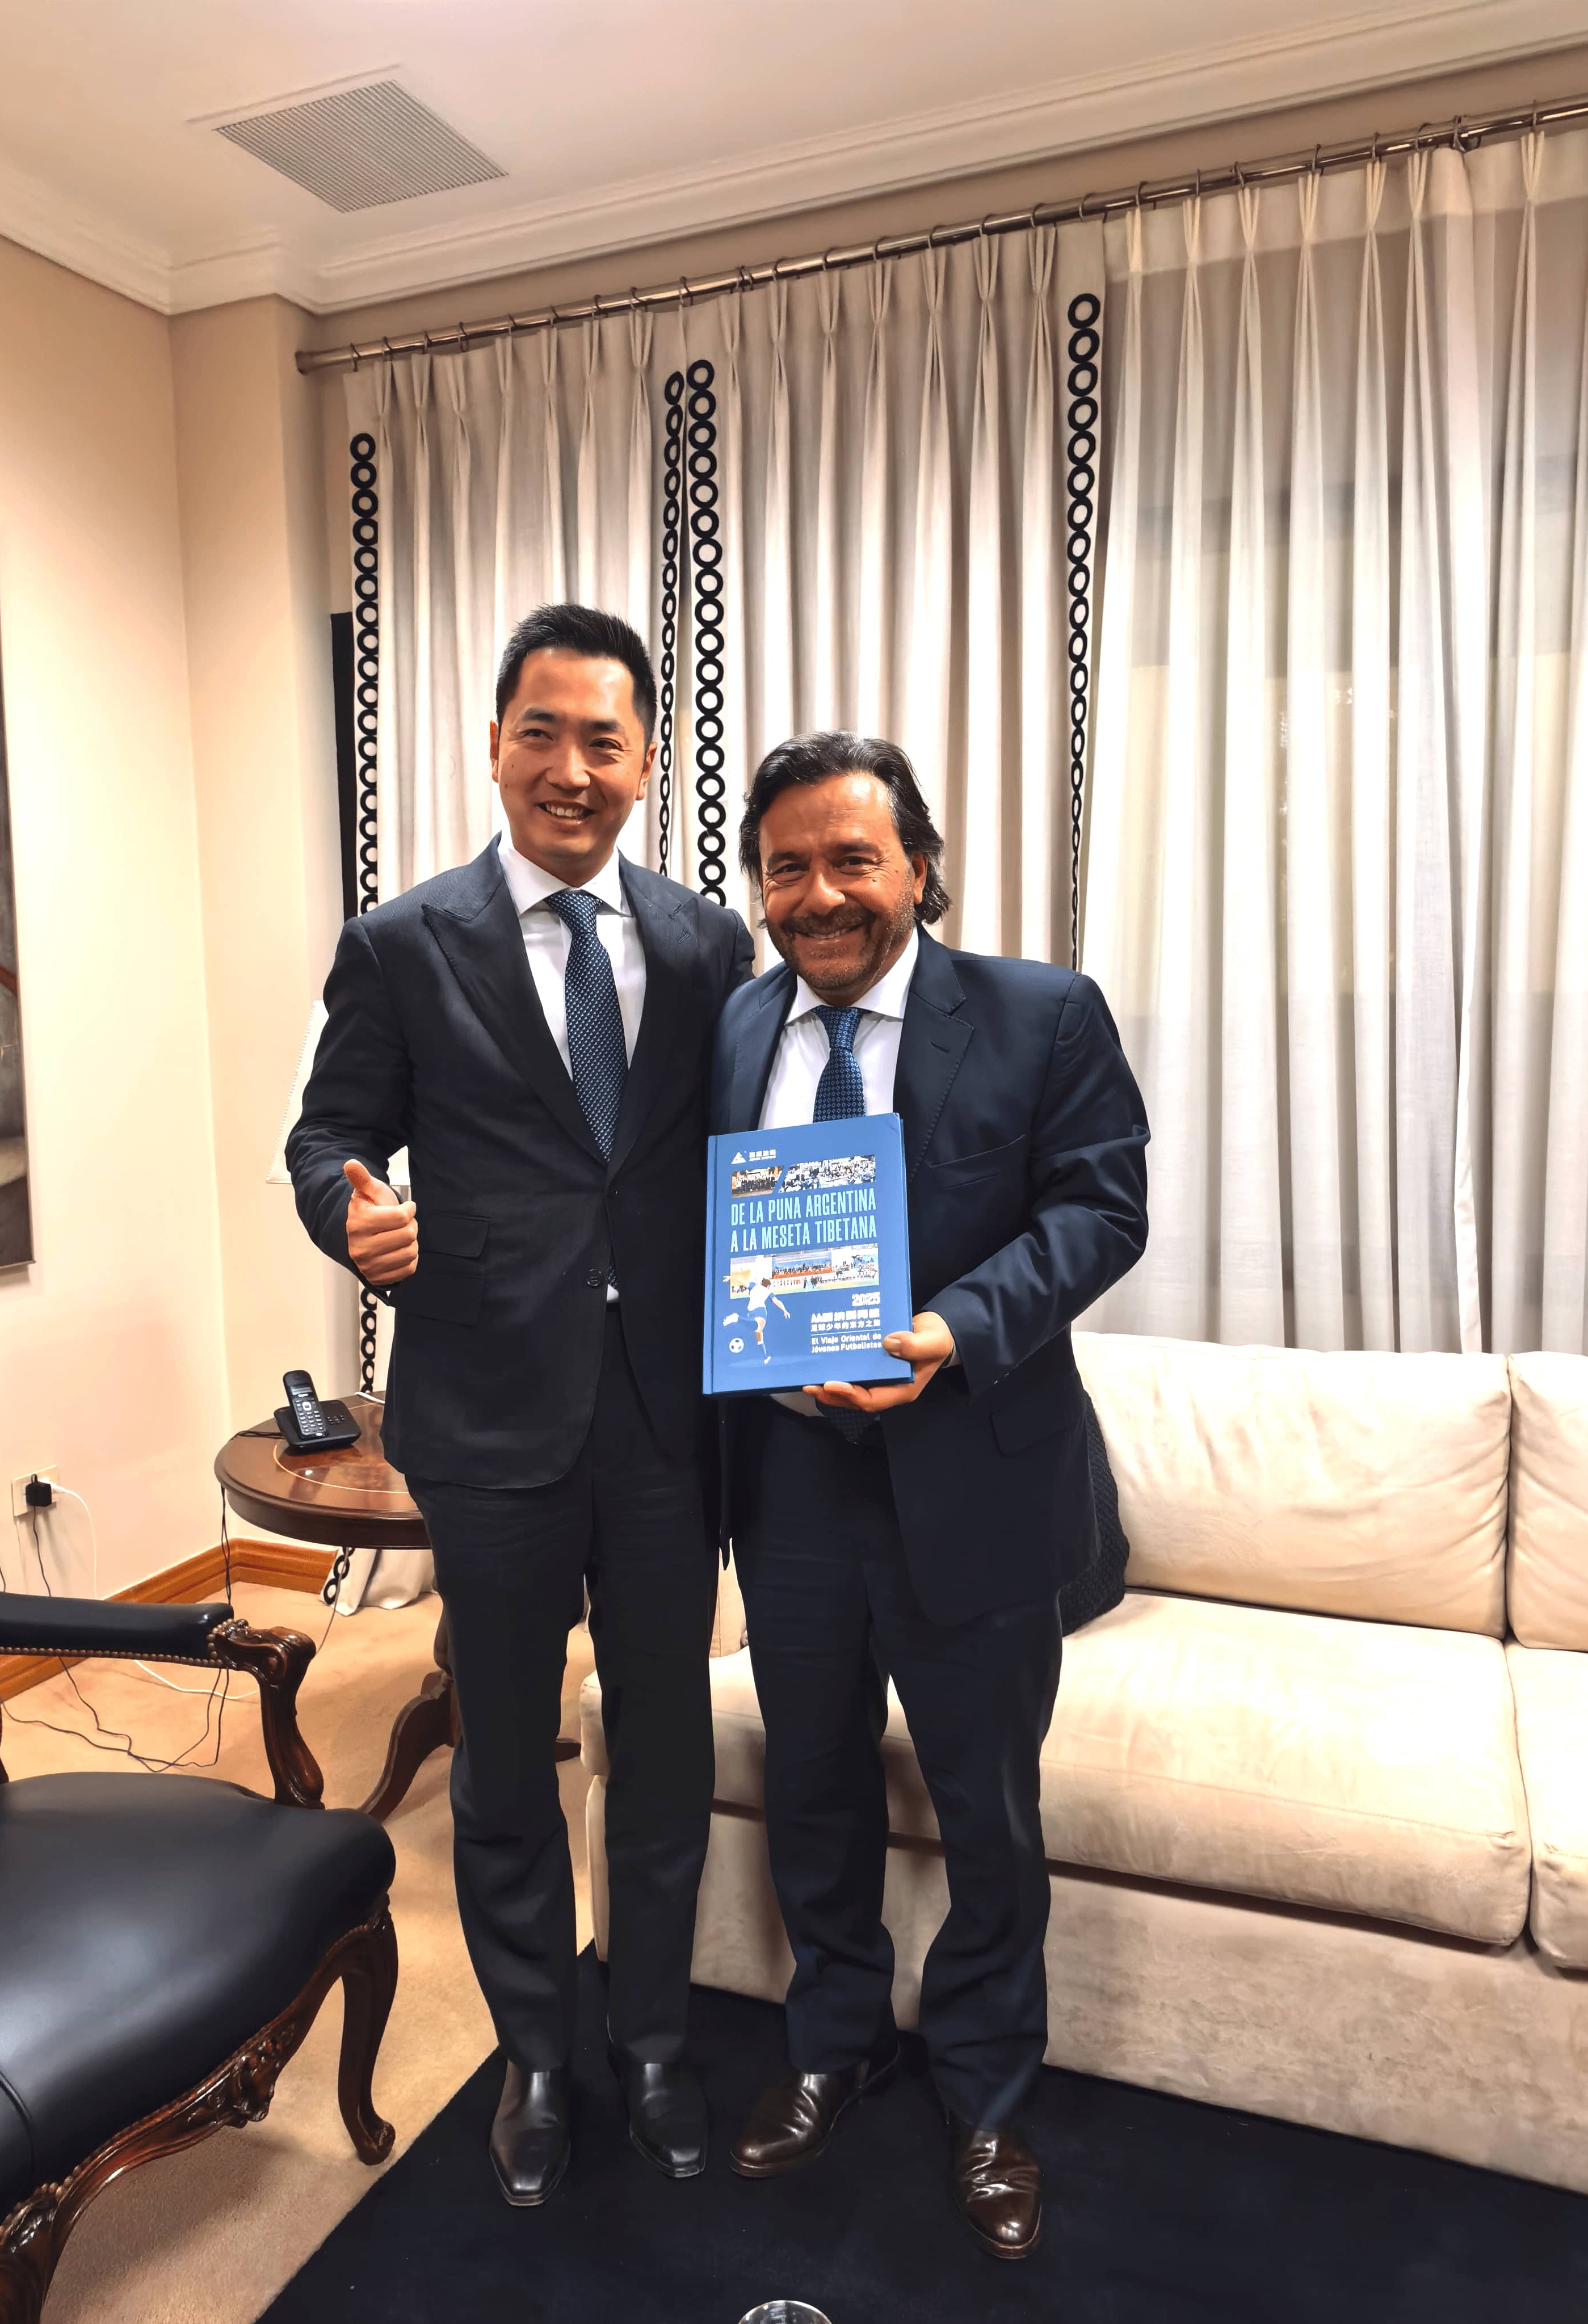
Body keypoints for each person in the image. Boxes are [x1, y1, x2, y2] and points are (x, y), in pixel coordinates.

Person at [287, 604, 754, 2207]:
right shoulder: (403, 943)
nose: (571, 769)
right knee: (501, 1758)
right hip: (487, 1411)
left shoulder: (706, 943)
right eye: (540, 734)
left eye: (603, 742)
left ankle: (654, 2042)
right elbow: (328, 1138)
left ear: (646, 762)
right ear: (495, 746)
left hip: (668, 1421)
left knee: (665, 1748)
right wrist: (349, 1214)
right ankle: (537, 2054)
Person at [712, 732, 1148, 2260]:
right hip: (787, 1489)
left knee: (987, 1812)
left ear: (916, 868)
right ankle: (834, 2043)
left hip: (972, 1481)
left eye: (853, 859)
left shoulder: (1040, 1013)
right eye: (786, 867)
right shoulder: (737, 1025)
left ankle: (986, 2094)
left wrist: (955, 1331)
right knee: (813, 1784)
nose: (819, 893)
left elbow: (1102, 1208)